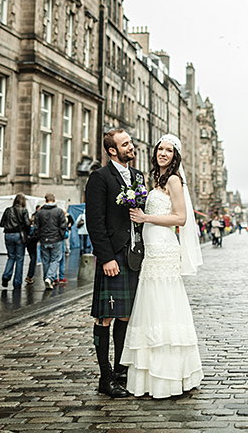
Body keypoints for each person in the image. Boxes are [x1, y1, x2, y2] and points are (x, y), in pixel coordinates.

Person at [121, 134, 203, 398]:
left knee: (164, 305)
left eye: (169, 150)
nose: (163, 153)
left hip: (165, 249)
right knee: (151, 307)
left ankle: (169, 377)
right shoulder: (155, 180)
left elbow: (180, 218)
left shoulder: (174, 180)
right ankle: (150, 376)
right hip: (151, 250)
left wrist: (146, 217)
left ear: (175, 156)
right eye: (160, 149)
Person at [85, 128, 145, 398]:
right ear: (112, 151)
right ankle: (104, 376)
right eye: (125, 144)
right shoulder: (99, 178)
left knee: (126, 315)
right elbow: (94, 221)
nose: (131, 147)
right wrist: (106, 256)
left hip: (133, 255)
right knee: (105, 316)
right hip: (113, 255)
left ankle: (121, 371)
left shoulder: (137, 177)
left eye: (130, 142)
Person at [32, 193, 66, 290]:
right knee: (56, 259)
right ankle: (49, 277)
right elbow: (63, 226)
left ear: (45, 200)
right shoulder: (59, 211)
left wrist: (38, 236)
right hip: (56, 239)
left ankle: (47, 278)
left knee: (45, 261)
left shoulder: (40, 212)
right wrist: (61, 236)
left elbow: (36, 226)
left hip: (44, 239)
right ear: (54, 200)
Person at [0, 194, 30, 290]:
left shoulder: (8, 210)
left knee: (11, 257)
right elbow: (27, 224)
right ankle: (17, 283)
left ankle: (6, 275)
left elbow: (1, 224)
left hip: (8, 235)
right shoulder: (24, 210)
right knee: (19, 259)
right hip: (19, 236)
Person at [24, 205, 41, 285]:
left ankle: (29, 276)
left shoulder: (28, 226)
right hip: (33, 242)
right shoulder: (35, 227)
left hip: (28, 242)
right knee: (33, 258)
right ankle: (29, 276)